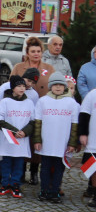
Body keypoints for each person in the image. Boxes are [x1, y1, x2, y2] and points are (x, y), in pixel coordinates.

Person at [32, 72, 78, 203]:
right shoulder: (43, 101)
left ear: (65, 87)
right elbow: (37, 123)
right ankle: (44, 190)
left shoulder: (71, 103)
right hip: (46, 143)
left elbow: (75, 125)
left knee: (59, 169)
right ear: (50, 86)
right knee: (45, 168)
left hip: (62, 144)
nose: (58, 87)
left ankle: (55, 191)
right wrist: (37, 140)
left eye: (61, 85)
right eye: (55, 85)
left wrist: (72, 143)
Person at [0, 75, 35, 198]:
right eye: (19, 86)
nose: (22, 88)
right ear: (13, 88)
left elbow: (33, 121)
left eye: (23, 86)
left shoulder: (29, 103)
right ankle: (5, 184)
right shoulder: (5, 102)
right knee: (5, 162)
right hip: (8, 139)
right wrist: (14, 131)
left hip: (22, 139)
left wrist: (25, 132)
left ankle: (15, 184)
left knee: (19, 163)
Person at [76, 81, 96, 205]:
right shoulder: (92, 95)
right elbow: (84, 115)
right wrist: (83, 134)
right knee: (94, 168)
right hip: (94, 139)